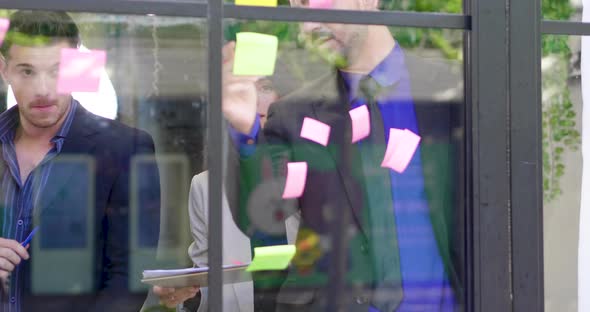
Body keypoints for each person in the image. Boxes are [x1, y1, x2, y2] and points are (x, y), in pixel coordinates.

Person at [222, 0, 461, 311]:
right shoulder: (296, 114)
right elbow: (263, 219)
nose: (307, 26)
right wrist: (246, 131)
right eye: (298, 9)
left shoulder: (453, 92)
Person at [0, 10, 161, 311]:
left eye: (57, 70)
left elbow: (128, 278)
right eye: (27, 71)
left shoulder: (125, 147)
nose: (43, 89)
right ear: (4, 70)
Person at [153, 77, 294, 311]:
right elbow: (206, 285)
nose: (255, 131)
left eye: (263, 119)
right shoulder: (206, 187)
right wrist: (182, 297)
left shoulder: (312, 178)